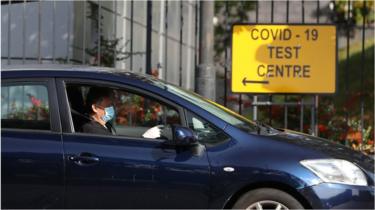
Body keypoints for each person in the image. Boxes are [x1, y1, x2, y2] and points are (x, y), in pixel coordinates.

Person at [81, 86, 163, 138]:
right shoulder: (92, 130)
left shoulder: (104, 126)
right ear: (95, 107)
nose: (112, 108)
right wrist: (145, 138)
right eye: (109, 105)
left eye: (113, 104)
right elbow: (115, 148)